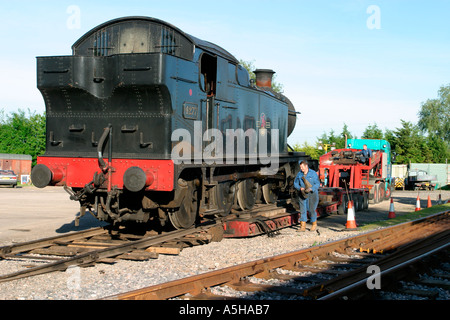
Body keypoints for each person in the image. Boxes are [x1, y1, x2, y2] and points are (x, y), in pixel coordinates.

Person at [294, 160, 320, 232]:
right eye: (300, 167)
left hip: (312, 194)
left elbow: (317, 184)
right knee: (302, 210)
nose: (301, 169)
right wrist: (299, 188)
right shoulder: (299, 174)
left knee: (311, 210)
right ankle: (302, 227)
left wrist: (311, 189)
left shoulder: (313, 173)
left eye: (302, 167)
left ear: (306, 166)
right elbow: (295, 183)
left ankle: (314, 224)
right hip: (302, 194)